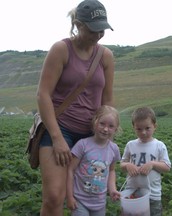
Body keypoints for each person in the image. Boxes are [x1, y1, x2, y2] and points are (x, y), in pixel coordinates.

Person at [36, 0, 115, 215]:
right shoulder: (61, 50)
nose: (99, 34)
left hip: (92, 134)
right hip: (60, 128)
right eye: (94, 29)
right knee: (54, 196)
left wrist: (107, 136)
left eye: (102, 29)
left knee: (87, 195)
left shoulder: (106, 56)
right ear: (78, 24)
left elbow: (107, 101)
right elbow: (43, 94)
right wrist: (57, 138)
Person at [66, 105, 121, 216]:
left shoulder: (114, 149)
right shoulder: (83, 145)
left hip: (100, 203)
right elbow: (70, 170)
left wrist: (112, 189)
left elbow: (111, 171)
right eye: (102, 124)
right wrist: (70, 196)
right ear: (95, 122)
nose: (106, 129)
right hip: (79, 201)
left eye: (111, 126)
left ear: (116, 129)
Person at [120, 107, 171, 216]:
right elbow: (122, 164)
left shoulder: (159, 146)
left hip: (153, 194)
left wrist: (152, 164)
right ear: (133, 127)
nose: (143, 132)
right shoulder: (130, 145)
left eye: (147, 128)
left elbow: (167, 167)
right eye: (139, 129)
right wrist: (128, 165)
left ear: (155, 126)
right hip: (132, 192)